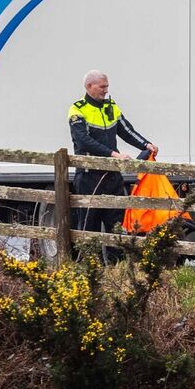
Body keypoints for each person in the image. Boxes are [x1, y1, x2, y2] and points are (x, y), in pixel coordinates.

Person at [68, 70, 157, 260]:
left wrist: (146, 144)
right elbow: (83, 141)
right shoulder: (77, 109)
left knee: (116, 225)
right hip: (89, 176)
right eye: (102, 87)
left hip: (112, 176)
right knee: (88, 225)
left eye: (107, 86)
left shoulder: (111, 106)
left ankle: (116, 270)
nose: (106, 91)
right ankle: (88, 269)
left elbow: (126, 130)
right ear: (89, 86)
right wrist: (113, 154)